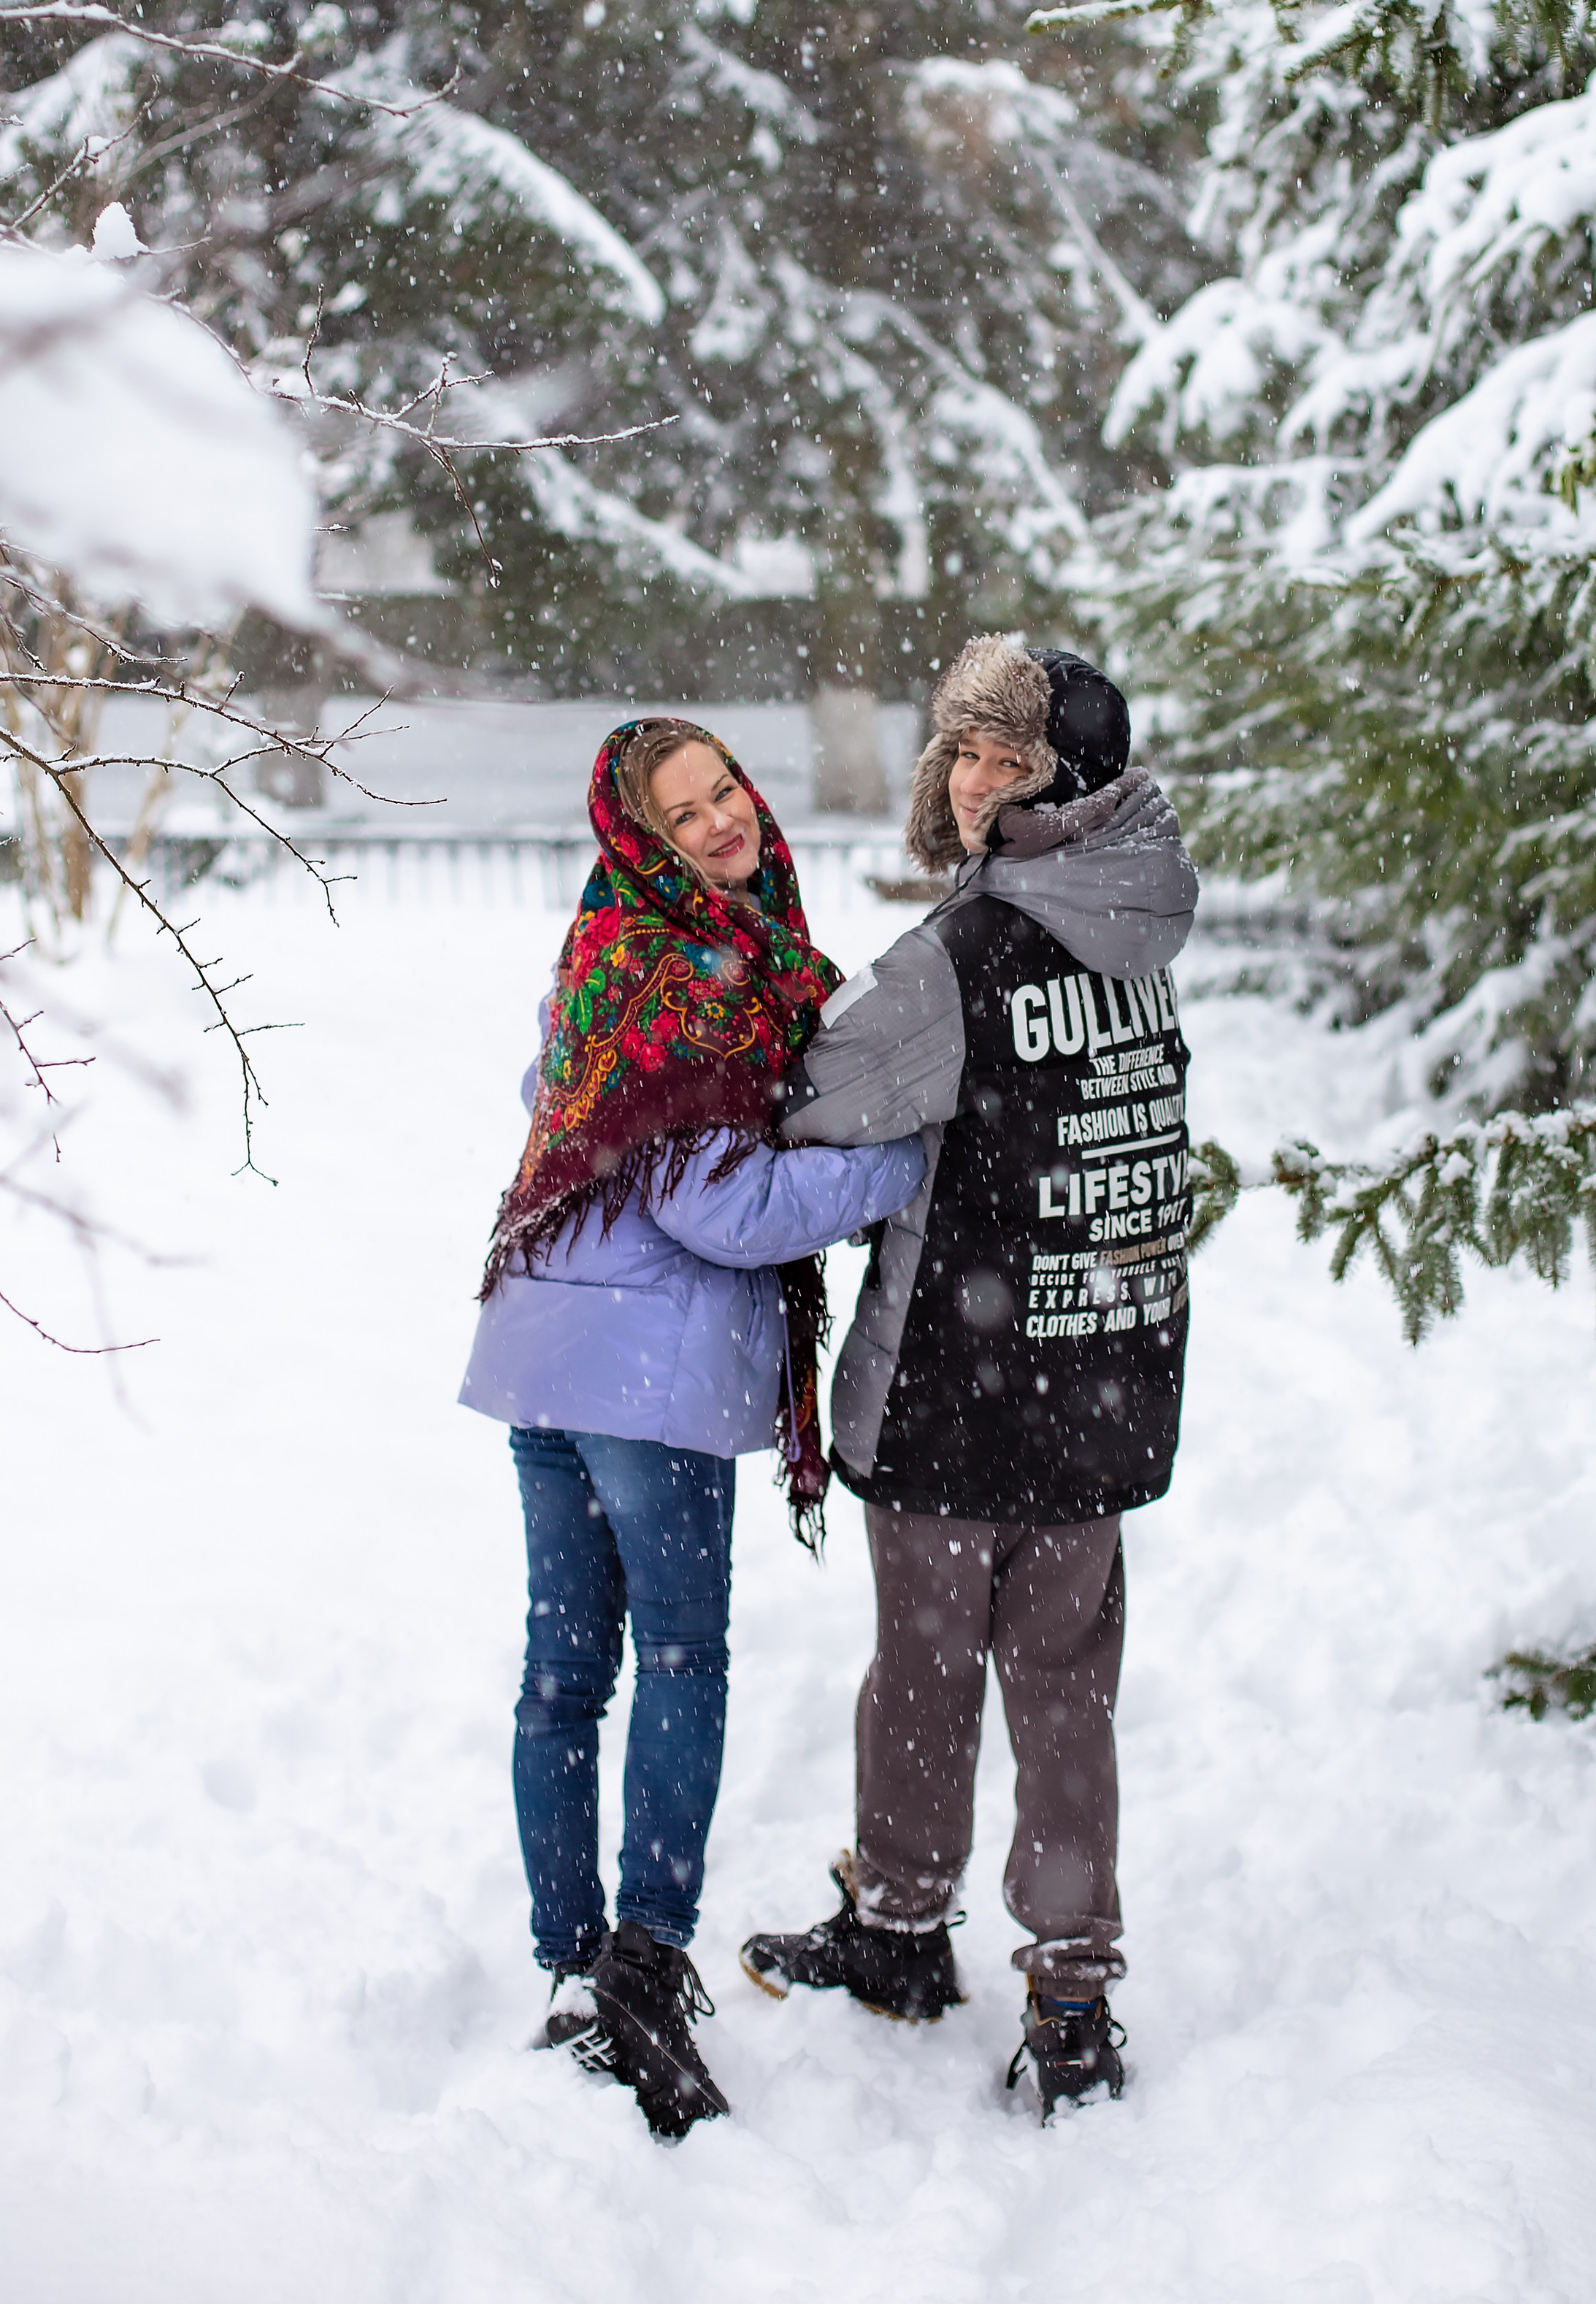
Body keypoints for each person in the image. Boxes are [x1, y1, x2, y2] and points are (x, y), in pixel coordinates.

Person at [739, 640, 1199, 2116]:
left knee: (927, 1677)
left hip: (962, 1383)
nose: (972, 782)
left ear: (1071, 785)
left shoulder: (965, 955)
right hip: (1102, 1372)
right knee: (1065, 1694)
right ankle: (1073, 1992)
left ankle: (898, 1931)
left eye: (1010, 760)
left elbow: (809, 1099)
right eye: (963, 751)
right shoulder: (1135, 929)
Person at [461, 717, 924, 2139]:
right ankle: (646, 1967)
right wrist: (899, 1165)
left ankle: (571, 1965)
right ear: (642, 839)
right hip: (643, 1380)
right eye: (684, 814)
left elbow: (553, 1100)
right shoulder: (694, 976)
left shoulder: (610, 947)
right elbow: (721, 1205)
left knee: (561, 1673)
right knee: (676, 1656)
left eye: (724, 790)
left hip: (543, 1348)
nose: (722, 821)